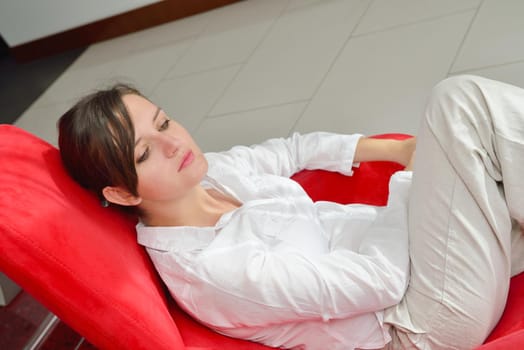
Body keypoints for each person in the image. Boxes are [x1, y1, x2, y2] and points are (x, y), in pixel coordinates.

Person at [57, 75, 524, 350]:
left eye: (164, 122)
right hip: (421, 321)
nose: (174, 142)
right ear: (120, 193)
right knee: (459, 103)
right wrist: (407, 186)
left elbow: (291, 150)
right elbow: (379, 282)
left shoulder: (211, 174)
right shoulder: (212, 272)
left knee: (496, 157)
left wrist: (396, 152)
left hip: (417, 255)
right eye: (145, 153)